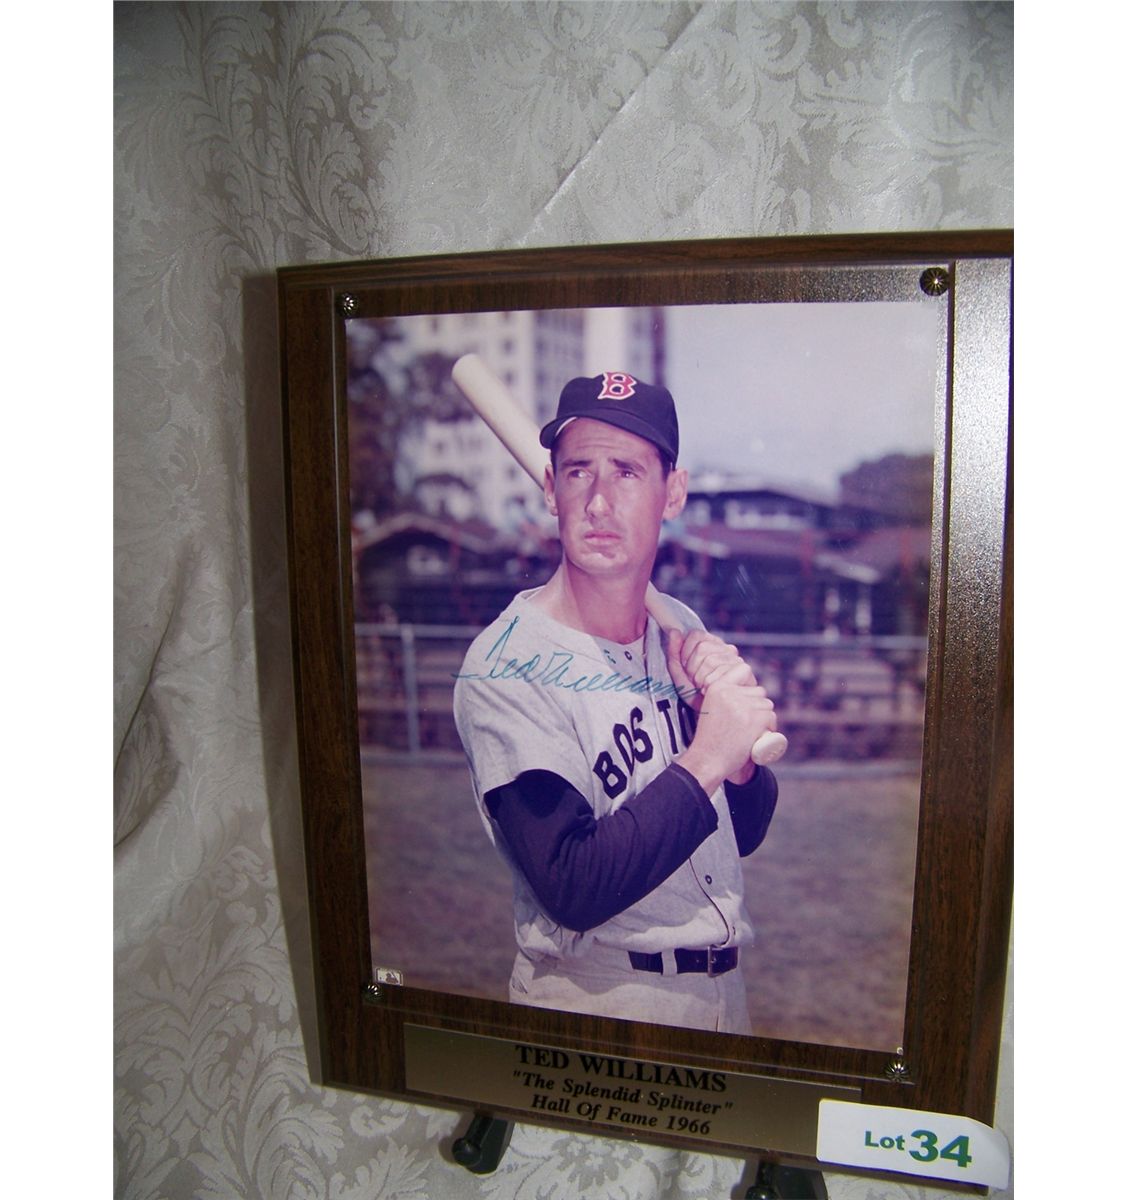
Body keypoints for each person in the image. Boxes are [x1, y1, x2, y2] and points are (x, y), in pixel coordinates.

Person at [453, 371, 779, 1035]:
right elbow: (573, 885)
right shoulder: (506, 663)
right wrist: (709, 755)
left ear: (673, 493)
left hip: (724, 996)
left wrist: (737, 756)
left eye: (627, 472)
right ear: (551, 489)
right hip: (597, 1001)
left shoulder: (678, 628)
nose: (599, 502)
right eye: (579, 472)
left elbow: (742, 832)